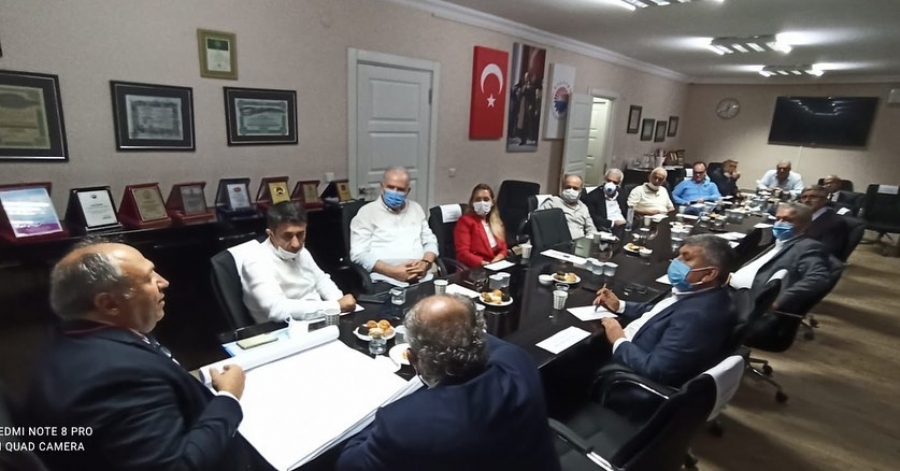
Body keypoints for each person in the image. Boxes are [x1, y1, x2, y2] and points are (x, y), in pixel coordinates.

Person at [25, 241, 258, 470]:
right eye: (148, 278)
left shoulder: (70, 336)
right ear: (109, 304)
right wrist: (228, 397)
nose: (163, 282)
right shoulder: (118, 377)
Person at [336, 295, 561, 471]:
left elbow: (347, 463)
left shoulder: (403, 424)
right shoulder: (518, 362)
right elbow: (488, 342)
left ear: (413, 360)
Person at [592, 235, 737, 386]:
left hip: (624, 371)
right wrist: (620, 305)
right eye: (679, 255)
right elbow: (659, 313)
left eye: (686, 259)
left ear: (709, 274)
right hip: (634, 344)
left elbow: (656, 370)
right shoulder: (705, 294)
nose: (676, 262)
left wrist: (618, 340)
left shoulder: (698, 316)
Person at [242, 201, 356, 323]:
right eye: (287, 236)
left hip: (316, 318)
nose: (296, 244)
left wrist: (340, 300)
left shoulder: (302, 251)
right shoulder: (256, 261)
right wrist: (336, 306)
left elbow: (321, 280)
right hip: (283, 327)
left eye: (300, 234)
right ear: (271, 234)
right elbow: (277, 310)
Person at [730, 202, 831, 313]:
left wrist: (779, 301)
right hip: (733, 292)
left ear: (805, 225)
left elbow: (818, 278)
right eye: (778, 219)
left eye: (788, 220)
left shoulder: (807, 246)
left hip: (749, 304)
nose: (779, 223)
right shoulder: (778, 242)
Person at [350, 167, 439, 287]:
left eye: (401, 189)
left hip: (421, 276)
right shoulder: (367, 213)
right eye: (391, 187)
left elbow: (430, 241)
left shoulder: (416, 209)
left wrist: (426, 263)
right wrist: (393, 272)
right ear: (382, 186)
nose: (395, 192)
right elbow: (359, 254)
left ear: (408, 190)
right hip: (385, 279)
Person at [454, 183, 508, 268]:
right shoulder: (465, 221)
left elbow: (503, 247)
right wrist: (485, 264)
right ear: (472, 203)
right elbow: (463, 254)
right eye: (478, 199)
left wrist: (498, 258)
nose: (482, 203)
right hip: (475, 268)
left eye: (486, 199)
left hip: (496, 265)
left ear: (492, 202)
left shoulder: (496, 221)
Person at [539, 173, 599, 239]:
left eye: (575, 188)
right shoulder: (552, 203)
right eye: (568, 187)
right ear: (562, 188)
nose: (571, 190)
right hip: (559, 242)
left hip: (580, 243)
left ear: (580, 191)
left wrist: (591, 239)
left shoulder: (583, 207)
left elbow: (591, 228)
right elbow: (537, 223)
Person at [800, 186, 850, 259]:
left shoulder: (835, 223)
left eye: (813, 197)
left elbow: (827, 252)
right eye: (804, 197)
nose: (807, 200)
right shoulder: (800, 216)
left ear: (825, 200)